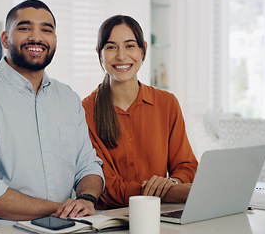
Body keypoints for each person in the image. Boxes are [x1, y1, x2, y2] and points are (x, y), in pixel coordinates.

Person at [0, 0, 104, 233]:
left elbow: (88, 166)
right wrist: (61, 209)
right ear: (5, 39)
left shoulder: (68, 98)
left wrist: (86, 199)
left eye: (46, 30)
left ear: (55, 41)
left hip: (61, 225)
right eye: (25, 28)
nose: (37, 37)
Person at [82, 15, 198, 209]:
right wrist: (179, 192)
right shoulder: (86, 111)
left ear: (143, 49)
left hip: (161, 215)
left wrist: (173, 182)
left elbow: (186, 166)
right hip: (109, 220)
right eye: (111, 47)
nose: (121, 56)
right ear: (99, 53)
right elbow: (110, 188)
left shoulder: (167, 103)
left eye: (129, 46)